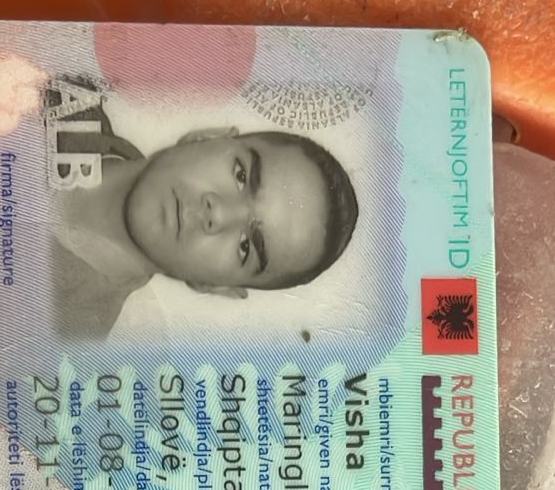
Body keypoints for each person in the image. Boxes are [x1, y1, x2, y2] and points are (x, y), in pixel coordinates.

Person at [44, 82, 358, 337]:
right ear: (206, 137)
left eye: (246, 246)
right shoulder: (54, 84)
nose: (218, 214)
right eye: (241, 175)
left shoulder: (60, 337)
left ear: (216, 287)